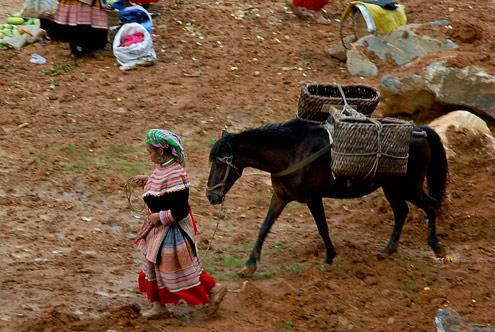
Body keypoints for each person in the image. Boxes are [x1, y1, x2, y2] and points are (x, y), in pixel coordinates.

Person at [131, 129, 226, 319]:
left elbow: (180, 209)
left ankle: (214, 289)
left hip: (172, 233)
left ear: (160, 151)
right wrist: (147, 182)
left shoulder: (175, 174)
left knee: (180, 270)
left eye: (150, 151)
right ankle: (158, 306)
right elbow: (163, 193)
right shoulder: (164, 168)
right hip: (158, 232)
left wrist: (159, 217)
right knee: (152, 265)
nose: (148, 155)